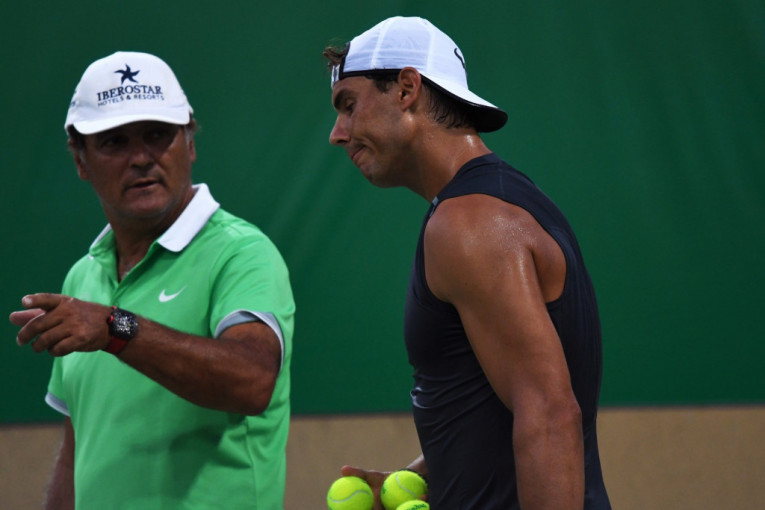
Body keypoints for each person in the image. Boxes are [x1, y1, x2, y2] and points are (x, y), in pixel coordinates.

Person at [323, 16, 611, 510]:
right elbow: (498, 404)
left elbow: (549, 414)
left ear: (407, 89)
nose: (337, 134)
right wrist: (427, 475)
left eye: (349, 106)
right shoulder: (496, 203)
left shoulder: (469, 223)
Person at [9, 51, 295, 509]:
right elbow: (76, 453)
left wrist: (115, 328)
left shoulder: (242, 252)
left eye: (158, 135)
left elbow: (253, 380)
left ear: (190, 144)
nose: (141, 158)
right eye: (114, 142)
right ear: (81, 161)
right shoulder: (82, 278)